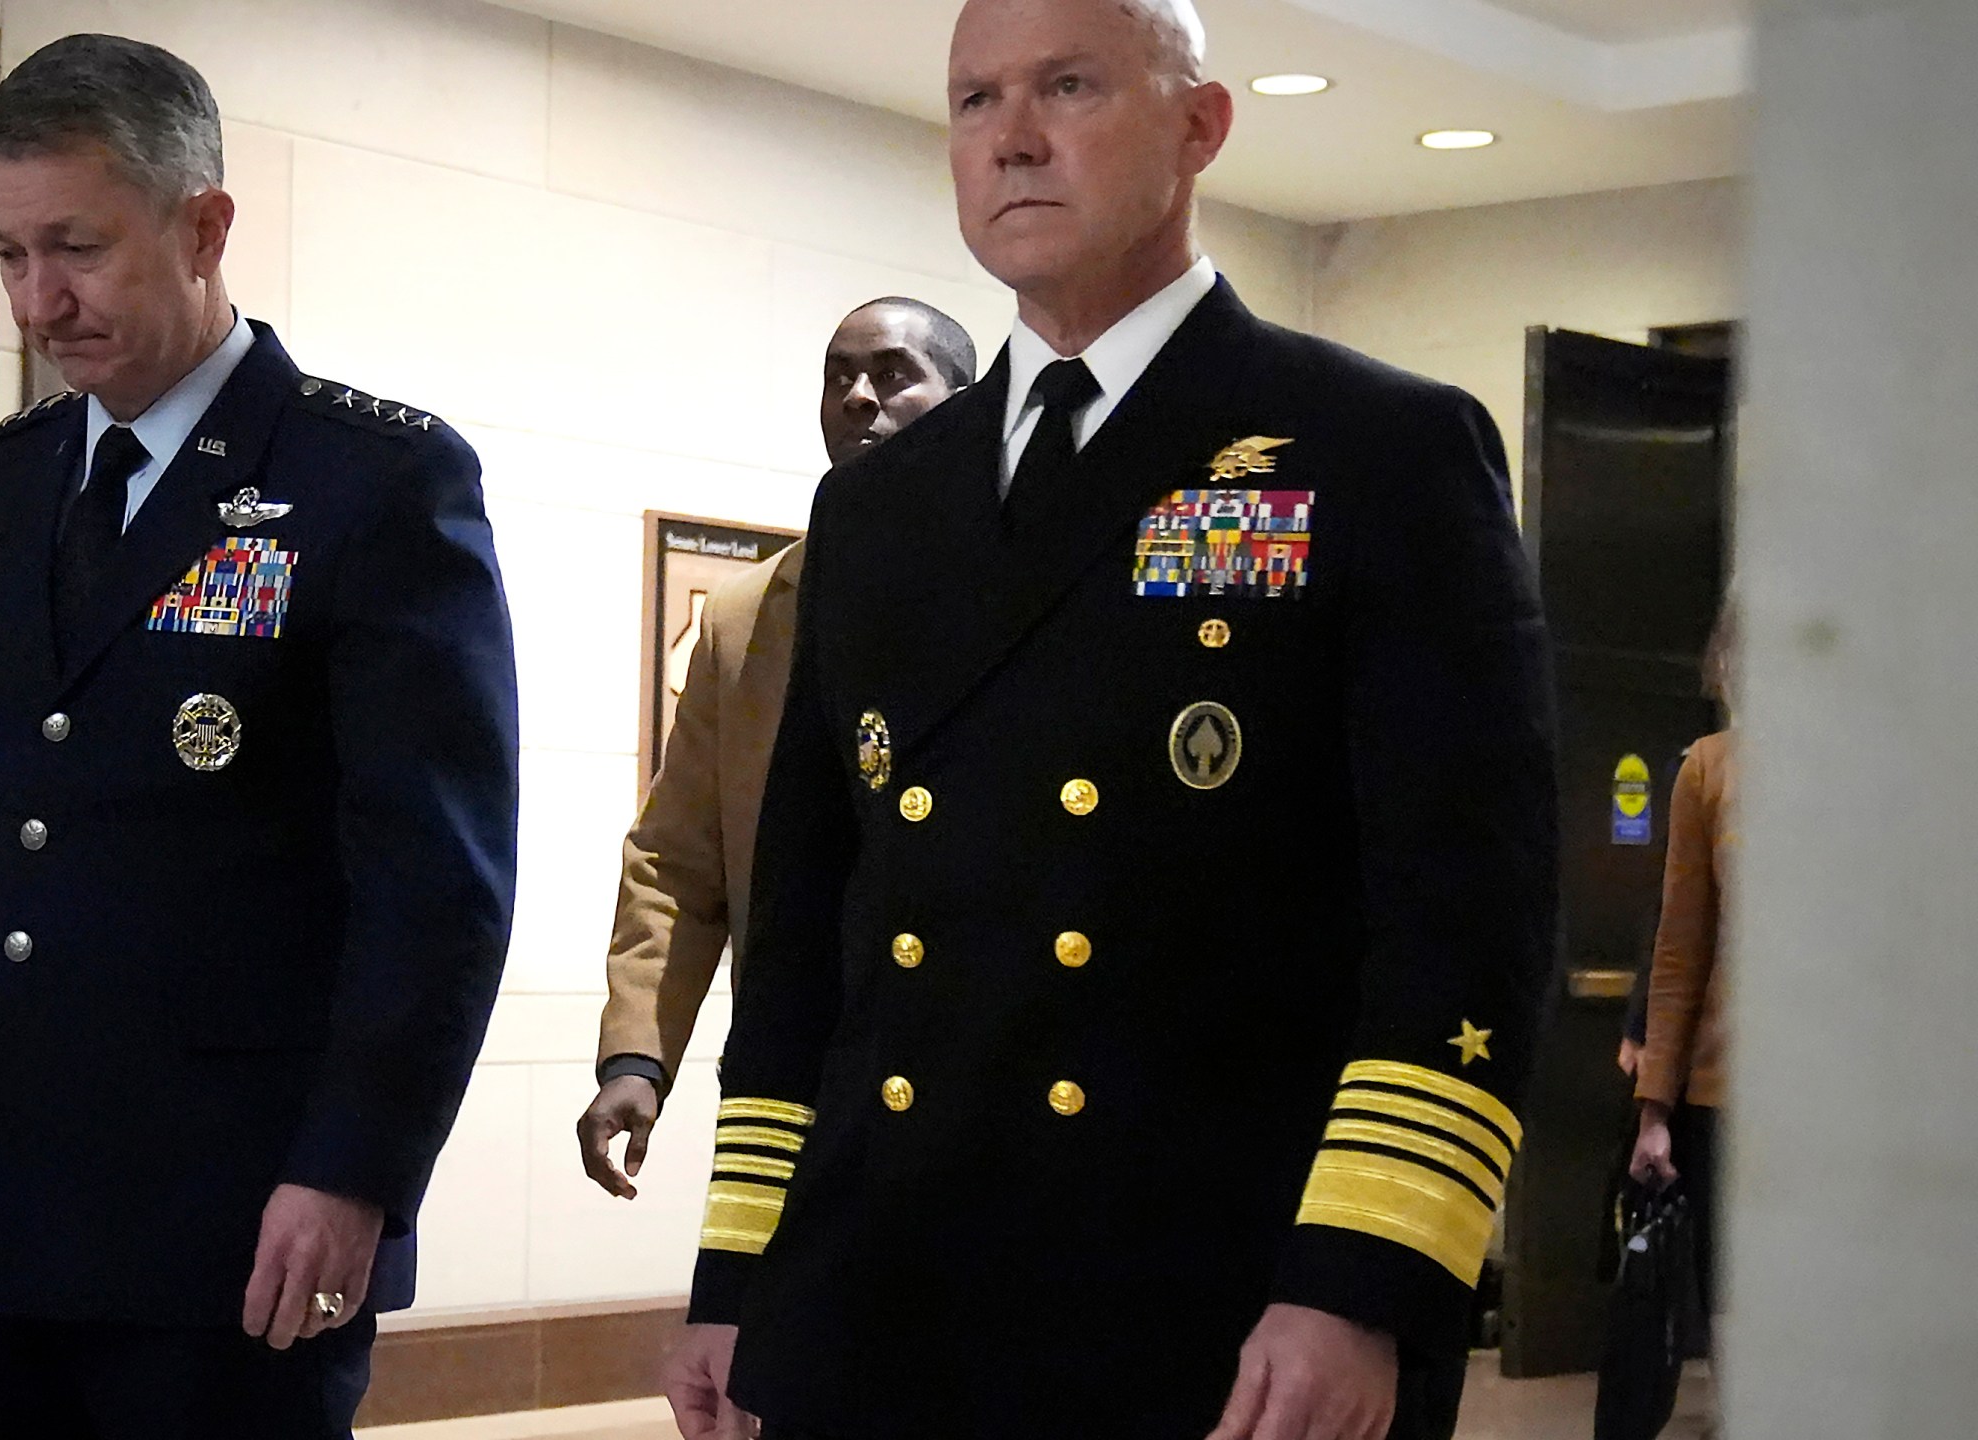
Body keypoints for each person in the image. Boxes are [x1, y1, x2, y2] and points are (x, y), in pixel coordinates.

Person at [660, 0, 1557, 1436]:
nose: (1012, 137)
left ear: (1199, 128)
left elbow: (1467, 917)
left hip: (1209, 1296)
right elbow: (811, 929)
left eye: (1068, 87)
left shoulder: (1375, 448)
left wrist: (1364, 1279)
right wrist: (738, 1261)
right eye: (973, 101)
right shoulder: (880, 506)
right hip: (882, 1284)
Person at [0, 34, 519, 1439]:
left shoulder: (369, 482)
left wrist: (355, 1172)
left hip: (220, 1212)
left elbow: (432, 882)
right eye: (9, 254)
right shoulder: (3, 483)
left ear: (204, 225)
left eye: (76, 248)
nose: (38, 300)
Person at [579, 299, 977, 1198]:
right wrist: (637, 1055)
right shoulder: (746, 618)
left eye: (893, 373)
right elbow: (677, 861)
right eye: (840, 378)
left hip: (980, 1064)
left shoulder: (1024, 588)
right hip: (801, 1062)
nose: (860, 399)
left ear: (967, 402)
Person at [1629, 606, 1738, 1326]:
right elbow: (1679, 951)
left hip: (1857, 1093)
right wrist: (1654, 1111)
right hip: (1725, 1093)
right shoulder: (1708, 768)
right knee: (1738, 1311)